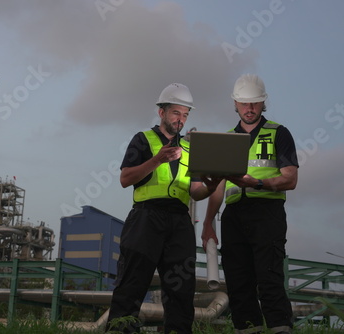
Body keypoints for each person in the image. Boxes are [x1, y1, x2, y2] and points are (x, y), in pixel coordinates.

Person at [106, 83, 221, 334]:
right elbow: (126, 179)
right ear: (162, 112)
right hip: (145, 218)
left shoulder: (192, 149)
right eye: (176, 113)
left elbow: (196, 191)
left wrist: (211, 187)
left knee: (181, 291)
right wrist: (158, 159)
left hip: (180, 222)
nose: (181, 119)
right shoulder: (142, 139)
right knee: (131, 285)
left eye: (185, 114)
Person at [201, 74, 298, 334]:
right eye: (244, 103)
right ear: (235, 103)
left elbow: (290, 179)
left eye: (254, 103)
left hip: (267, 213)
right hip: (233, 218)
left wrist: (257, 184)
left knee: (270, 280)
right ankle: (247, 330)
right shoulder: (226, 138)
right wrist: (208, 223)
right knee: (238, 283)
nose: (250, 108)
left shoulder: (279, 133)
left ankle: (280, 329)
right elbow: (218, 187)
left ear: (263, 103)